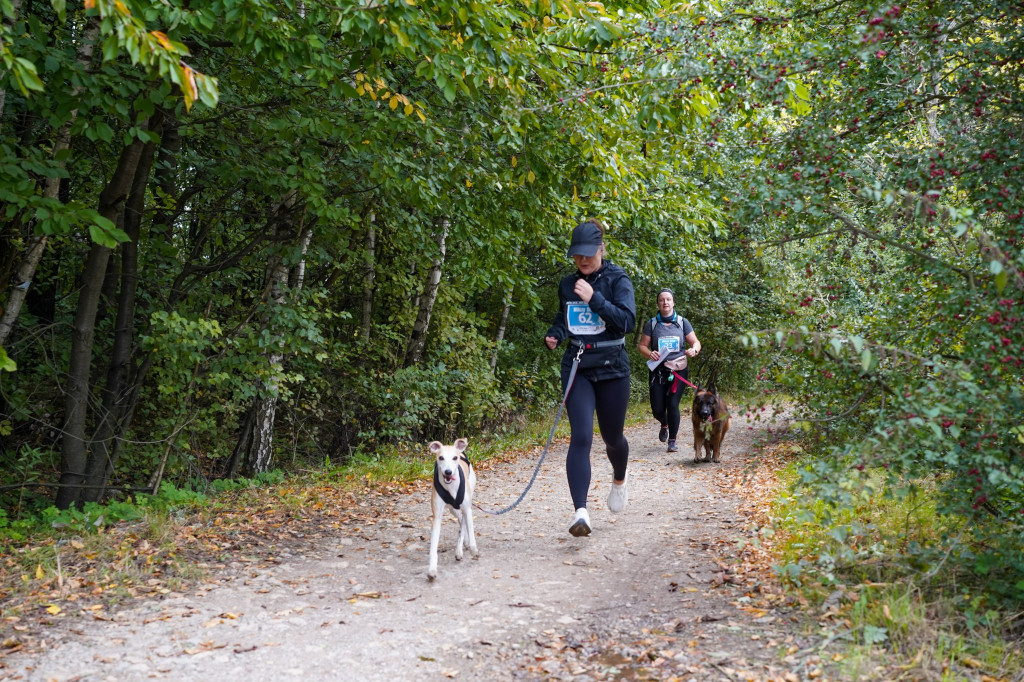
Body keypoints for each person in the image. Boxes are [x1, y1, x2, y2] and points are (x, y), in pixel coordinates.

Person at [544, 219, 636, 537]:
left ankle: (620, 478)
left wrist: (594, 298)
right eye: (577, 255)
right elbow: (563, 316)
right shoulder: (567, 284)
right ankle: (580, 513)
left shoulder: (617, 279)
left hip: (612, 369)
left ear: (601, 248)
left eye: (588, 254)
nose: (582, 261)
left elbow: (626, 322)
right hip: (577, 367)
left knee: (612, 438)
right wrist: (555, 334)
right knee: (581, 436)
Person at [637, 288, 701, 453]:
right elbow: (642, 346)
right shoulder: (651, 324)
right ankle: (664, 422)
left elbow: (696, 342)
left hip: (678, 369)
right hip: (658, 371)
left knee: (672, 404)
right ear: (658, 303)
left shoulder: (682, 322)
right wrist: (650, 353)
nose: (665, 302)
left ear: (673, 302)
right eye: (661, 300)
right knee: (657, 409)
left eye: (668, 299)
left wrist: (694, 350)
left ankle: (672, 441)